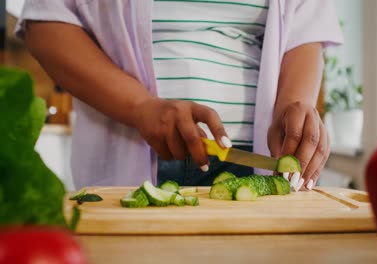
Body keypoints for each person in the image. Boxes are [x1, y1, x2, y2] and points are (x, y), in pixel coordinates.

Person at [17, 0, 343, 191]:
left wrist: (292, 105)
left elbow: (305, 31)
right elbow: (47, 25)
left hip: (251, 162)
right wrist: (141, 107)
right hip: (133, 152)